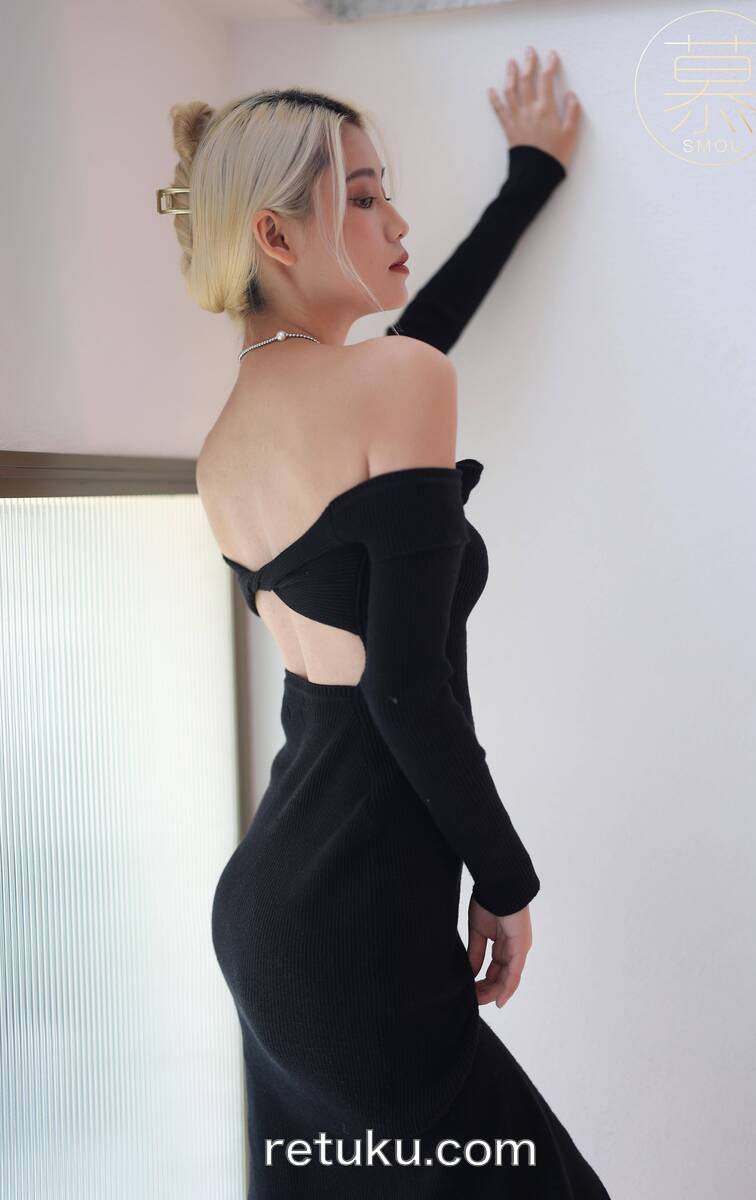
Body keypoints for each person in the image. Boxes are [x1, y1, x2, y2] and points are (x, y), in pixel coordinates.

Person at [161, 47, 610, 1197]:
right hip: (360, 926)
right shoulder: (393, 387)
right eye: (362, 198)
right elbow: (405, 689)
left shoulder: (226, 443)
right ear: (274, 235)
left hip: (279, 914)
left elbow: (426, 331)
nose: (396, 220)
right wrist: (504, 883)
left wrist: (526, 179)